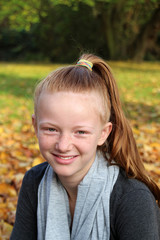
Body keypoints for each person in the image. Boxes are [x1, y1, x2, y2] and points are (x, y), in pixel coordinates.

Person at [11, 54, 160, 240]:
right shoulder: (35, 182)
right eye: (51, 129)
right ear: (35, 126)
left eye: (80, 132)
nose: (63, 145)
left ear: (103, 133)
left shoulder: (132, 199)